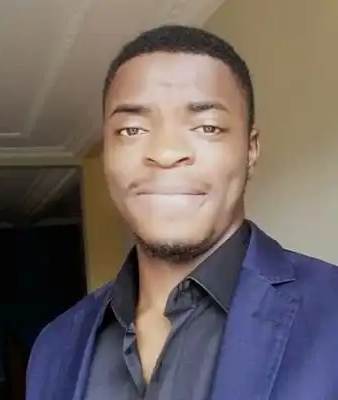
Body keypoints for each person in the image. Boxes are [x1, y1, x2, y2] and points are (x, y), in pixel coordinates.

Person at [26, 25, 338, 400]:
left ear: (250, 150)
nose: (166, 152)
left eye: (207, 127)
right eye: (131, 130)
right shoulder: (53, 348)